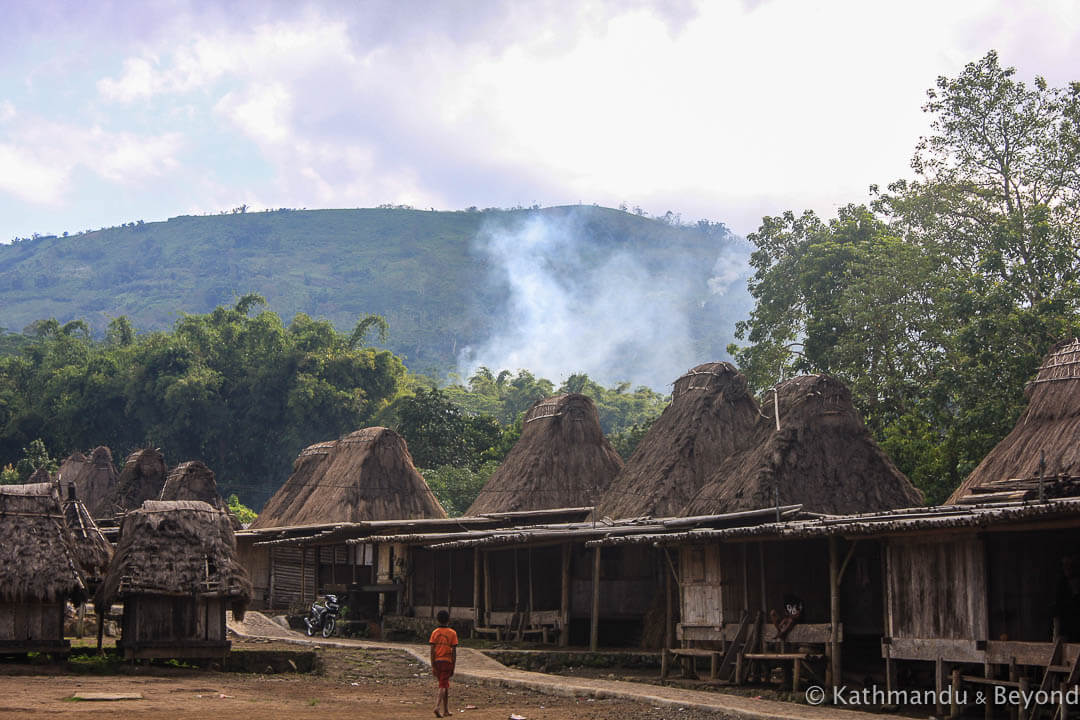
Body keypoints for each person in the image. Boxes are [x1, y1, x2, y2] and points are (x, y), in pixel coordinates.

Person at [429, 609, 458, 717]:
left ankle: (446, 710)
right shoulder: (452, 633)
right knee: (443, 685)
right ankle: (437, 707)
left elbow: (432, 650)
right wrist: (453, 666)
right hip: (447, 662)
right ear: (448, 620)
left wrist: (432, 664)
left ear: (437, 620)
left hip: (437, 661)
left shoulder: (435, 633)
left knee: (444, 684)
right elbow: (454, 652)